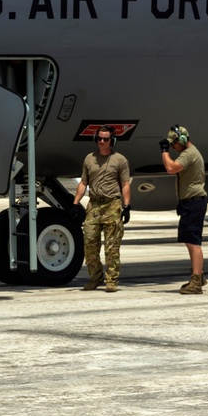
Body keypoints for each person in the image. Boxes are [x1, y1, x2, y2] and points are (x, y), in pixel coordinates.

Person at [71, 125, 131, 292]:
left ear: (112, 140)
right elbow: (83, 182)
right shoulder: (89, 159)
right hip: (94, 204)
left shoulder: (120, 160)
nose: (102, 142)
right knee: (89, 242)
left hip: (113, 204)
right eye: (99, 139)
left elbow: (125, 184)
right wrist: (75, 203)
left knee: (112, 246)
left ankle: (111, 280)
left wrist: (126, 206)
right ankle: (95, 277)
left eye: (106, 139)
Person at [159, 125, 208, 294]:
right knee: (189, 239)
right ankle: (198, 275)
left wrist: (164, 151)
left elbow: (171, 168)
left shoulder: (189, 154)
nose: (173, 147)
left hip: (194, 202)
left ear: (182, 141)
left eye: (173, 144)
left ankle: (196, 282)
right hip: (190, 202)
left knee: (194, 242)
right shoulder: (188, 152)